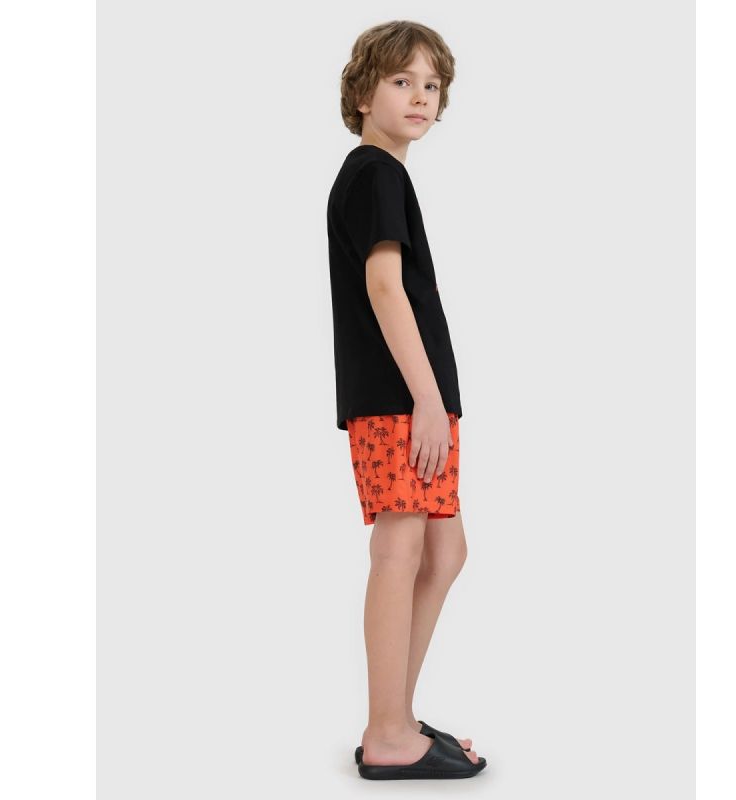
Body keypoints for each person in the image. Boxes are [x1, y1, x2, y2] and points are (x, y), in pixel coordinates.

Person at [326, 21, 487, 780]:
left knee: (445, 550)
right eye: (401, 81)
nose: (421, 96)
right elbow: (384, 287)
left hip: (417, 397)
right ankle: (388, 733)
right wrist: (425, 398)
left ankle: (395, 714)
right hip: (402, 399)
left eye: (432, 85)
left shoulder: (383, 175)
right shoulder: (374, 174)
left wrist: (433, 398)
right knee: (402, 550)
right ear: (363, 94)